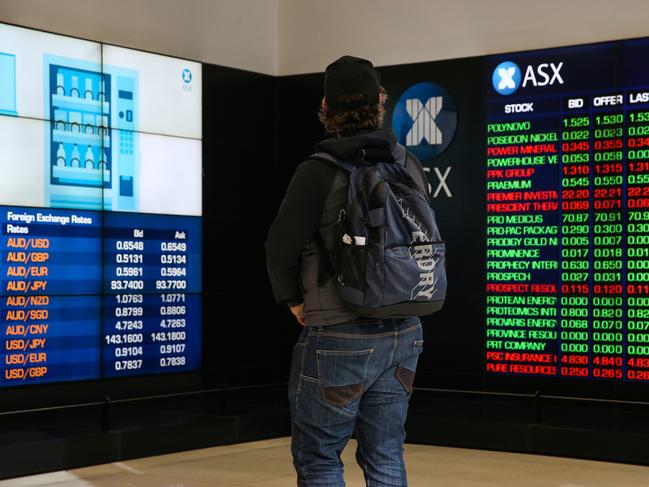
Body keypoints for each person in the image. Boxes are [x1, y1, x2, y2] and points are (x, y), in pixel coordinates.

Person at [266, 55, 430, 487]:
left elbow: (279, 247)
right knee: (386, 454)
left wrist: (294, 301)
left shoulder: (318, 172)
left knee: (320, 456)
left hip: (337, 332)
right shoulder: (408, 165)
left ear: (326, 107)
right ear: (381, 100)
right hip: (404, 329)